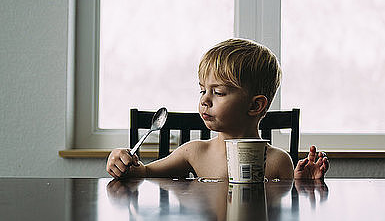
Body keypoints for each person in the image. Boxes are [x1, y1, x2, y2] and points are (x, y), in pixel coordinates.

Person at [106, 38, 329, 180]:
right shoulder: (193, 153)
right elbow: (144, 173)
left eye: (218, 92)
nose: (205, 100)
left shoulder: (278, 162)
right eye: (202, 90)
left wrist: (304, 186)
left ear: (255, 105)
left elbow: (286, 211)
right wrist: (123, 162)